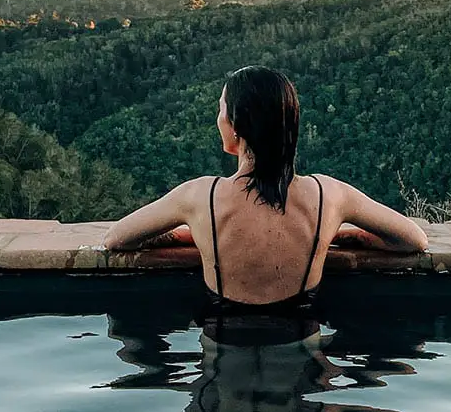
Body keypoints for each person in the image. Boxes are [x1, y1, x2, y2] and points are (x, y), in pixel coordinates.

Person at [103, 66, 429, 316]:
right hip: (302, 364)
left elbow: (117, 239)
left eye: (221, 109)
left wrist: (193, 234)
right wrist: (347, 235)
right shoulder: (328, 195)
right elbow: (413, 239)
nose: (218, 118)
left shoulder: (199, 197)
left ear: (236, 123)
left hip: (223, 372)